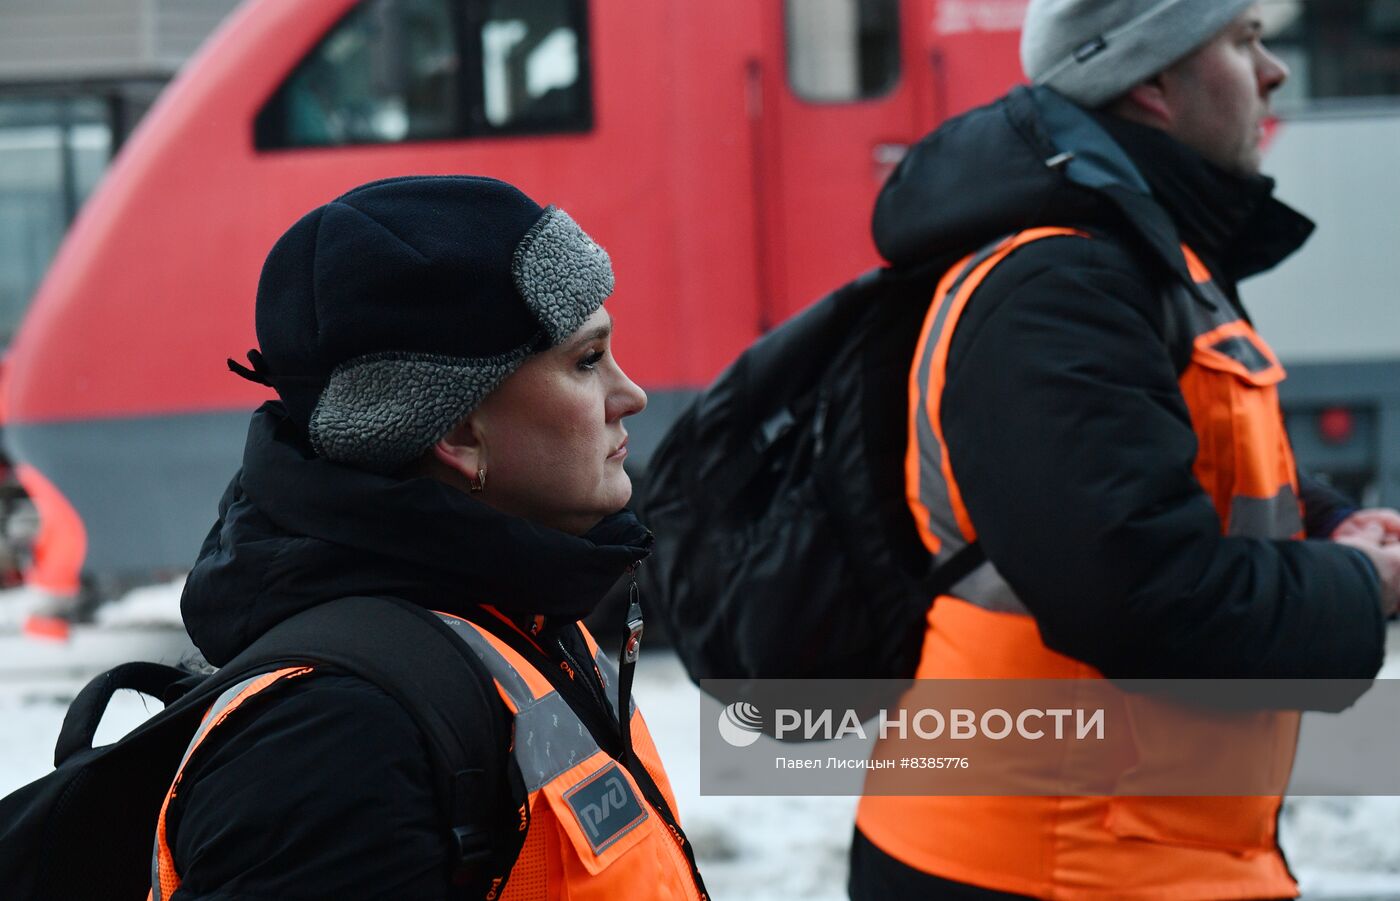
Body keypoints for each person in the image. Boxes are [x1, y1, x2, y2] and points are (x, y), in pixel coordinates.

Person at [850, 2, 1400, 899]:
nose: (1275, 71)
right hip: (1041, 862)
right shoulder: (1060, 286)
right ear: (1151, 80)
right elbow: (1141, 593)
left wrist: (1329, 522)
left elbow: (1189, 469)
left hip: (1131, 849)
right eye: (1244, 39)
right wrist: (1361, 586)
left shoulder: (1142, 254)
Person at [155, 175, 709, 899]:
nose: (629, 394)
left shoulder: (521, 611)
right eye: (585, 360)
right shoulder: (335, 742)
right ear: (453, 430)